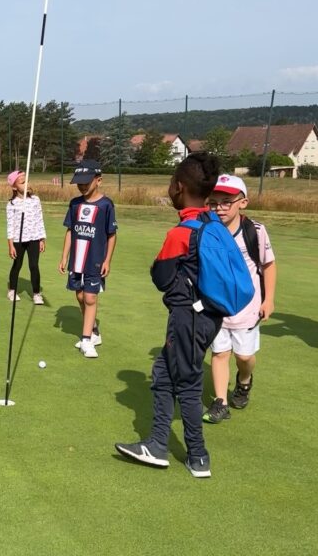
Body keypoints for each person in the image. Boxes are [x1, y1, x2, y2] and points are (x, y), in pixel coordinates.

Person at [115, 152, 223, 478]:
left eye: (172, 184)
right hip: (208, 317)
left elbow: (161, 277)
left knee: (187, 383)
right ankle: (158, 444)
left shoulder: (182, 232)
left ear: (179, 186)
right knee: (163, 372)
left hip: (188, 318)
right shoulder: (213, 222)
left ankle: (198, 455)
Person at [201, 175, 277, 423]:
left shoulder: (255, 231)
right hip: (216, 305)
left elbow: (268, 265)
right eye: (214, 203)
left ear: (242, 203)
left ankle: (244, 380)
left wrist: (269, 300)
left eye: (226, 202)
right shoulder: (206, 229)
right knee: (220, 353)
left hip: (247, 305)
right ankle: (220, 402)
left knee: (244, 356)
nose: (219, 208)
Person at [58, 160, 117, 358]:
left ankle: (86, 340)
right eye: (79, 183)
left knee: (91, 297)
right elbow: (70, 231)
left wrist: (107, 260)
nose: (82, 186)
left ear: (98, 180)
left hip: (95, 260)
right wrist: (64, 256)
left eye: (86, 182)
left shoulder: (106, 205)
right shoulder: (75, 204)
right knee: (80, 296)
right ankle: (93, 331)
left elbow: (111, 234)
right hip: (77, 260)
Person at [6, 170, 47, 304]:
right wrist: (10, 244)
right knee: (17, 264)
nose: (26, 184)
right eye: (22, 182)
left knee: (34, 266)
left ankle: (36, 293)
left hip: (34, 238)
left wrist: (42, 238)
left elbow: (39, 219)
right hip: (18, 240)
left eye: (27, 181)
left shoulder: (35, 200)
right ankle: (12, 290)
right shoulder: (12, 204)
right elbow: (10, 225)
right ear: (14, 187)